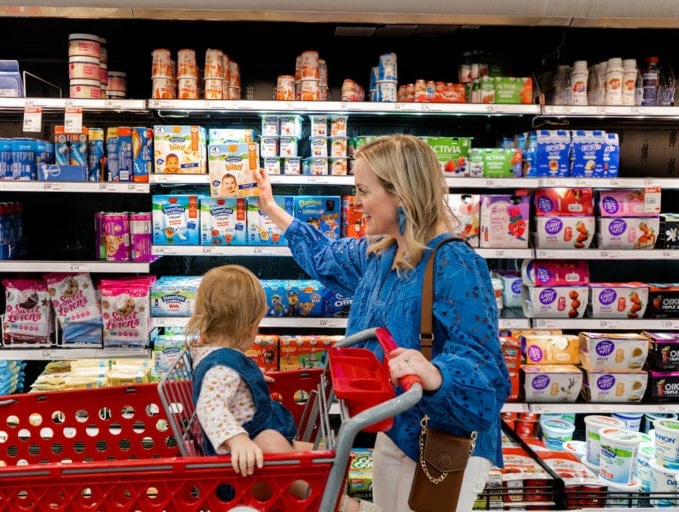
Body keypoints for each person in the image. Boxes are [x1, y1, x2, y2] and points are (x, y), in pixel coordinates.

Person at [253, 134, 511, 512]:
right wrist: (271, 207)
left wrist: (436, 375)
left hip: (445, 442)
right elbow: (324, 256)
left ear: (401, 193)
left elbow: (488, 373)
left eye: (363, 190)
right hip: (395, 426)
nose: (356, 203)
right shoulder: (379, 252)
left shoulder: (453, 263)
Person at [185, 264, 374, 512]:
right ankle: (330, 503)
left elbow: (227, 388)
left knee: (321, 455)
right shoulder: (221, 368)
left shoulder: (222, 361)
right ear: (246, 324)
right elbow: (209, 406)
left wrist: (251, 379)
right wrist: (238, 440)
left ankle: (327, 495)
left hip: (254, 458)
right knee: (274, 443)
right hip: (240, 470)